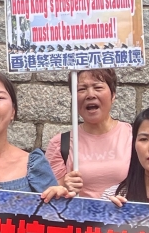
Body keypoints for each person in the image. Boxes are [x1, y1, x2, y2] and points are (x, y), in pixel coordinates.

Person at [45, 69, 133, 198]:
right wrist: (63, 185)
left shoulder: (133, 136)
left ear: (113, 95)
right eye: (81, 89)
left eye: (98, 87)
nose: (90, 95)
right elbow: (48, 195)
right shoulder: (59, 144)